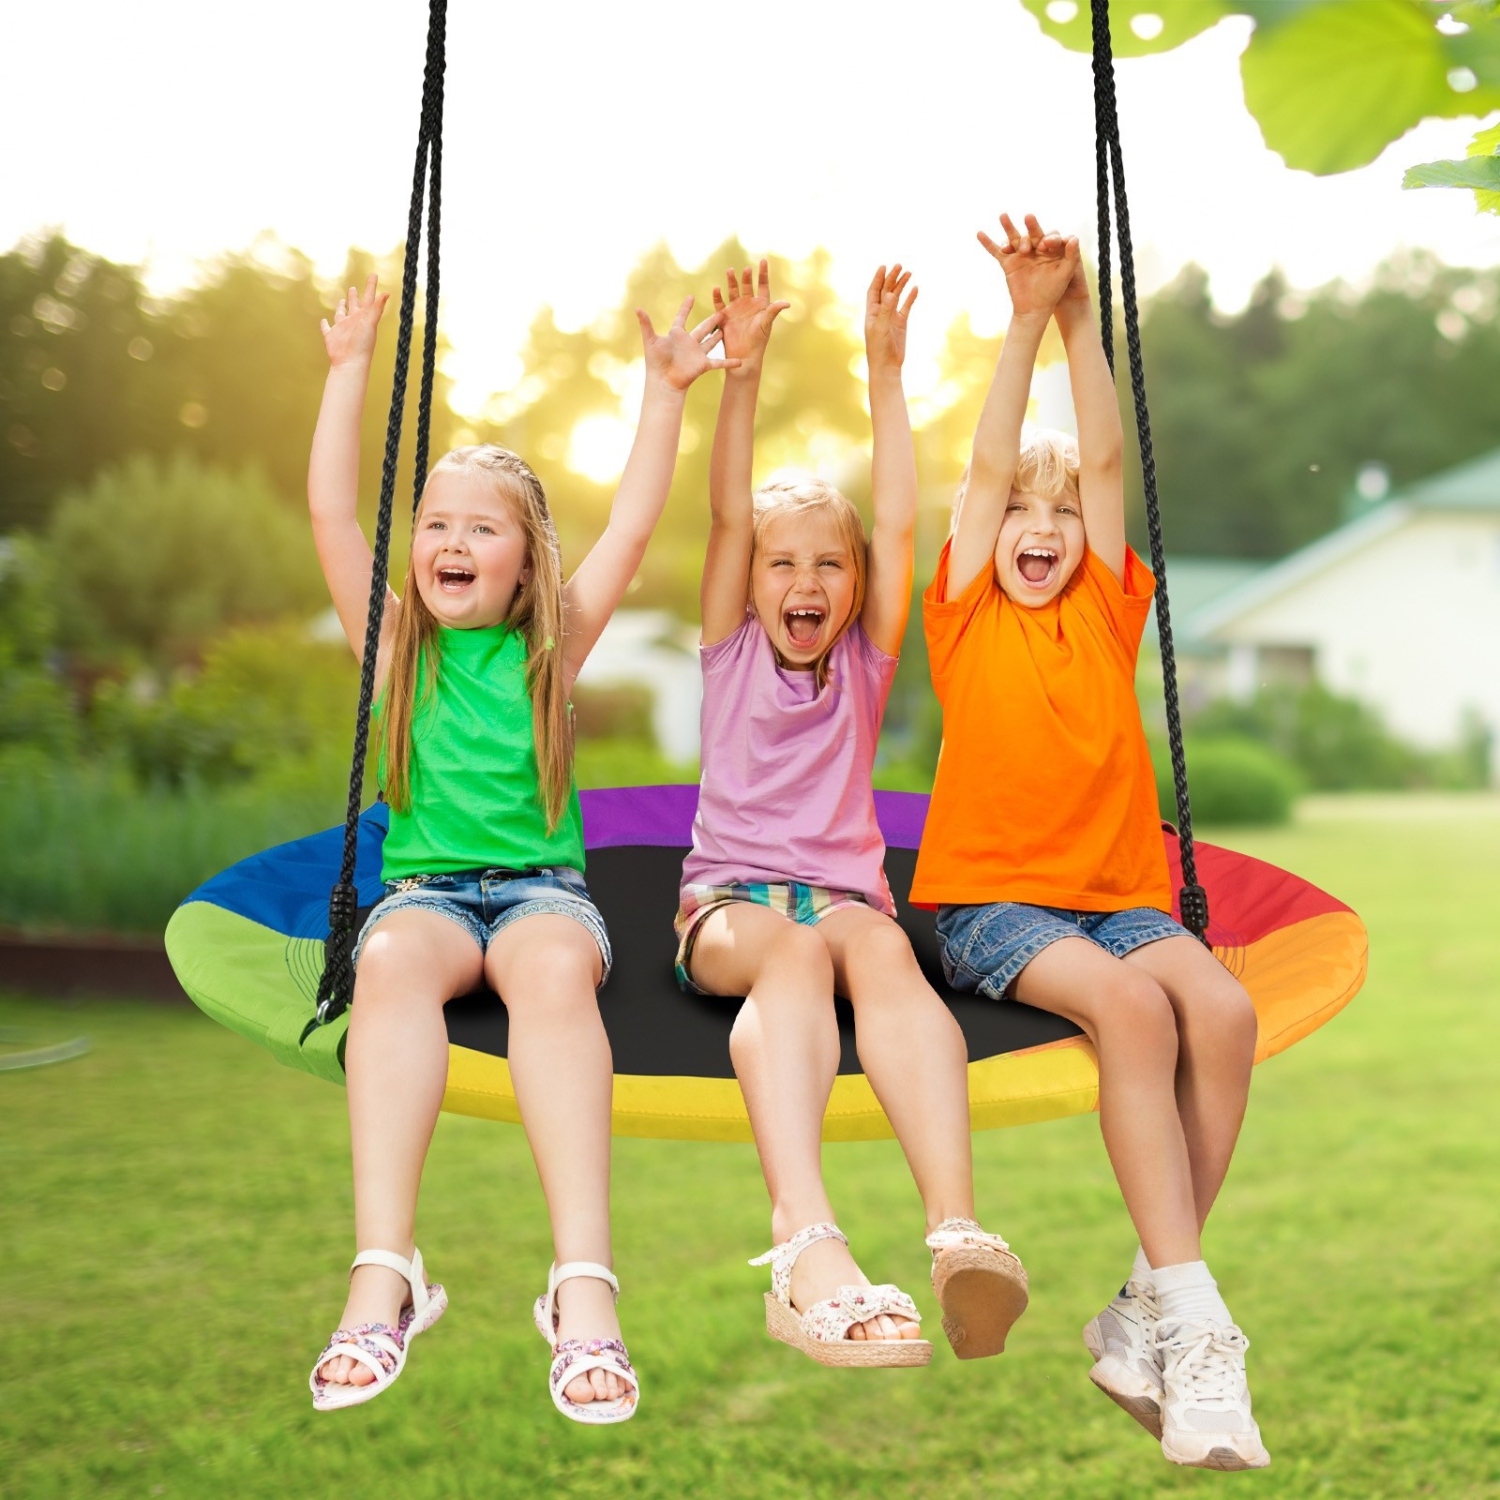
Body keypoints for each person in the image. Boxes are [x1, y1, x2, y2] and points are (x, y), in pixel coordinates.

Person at [304, 273, 735, 1423]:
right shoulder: (397, 649)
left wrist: (663, 395)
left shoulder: (552, 650)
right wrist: (349, 375)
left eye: (480, 528)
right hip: (425, 899)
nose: (451, 541)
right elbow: (333, 521)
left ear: (524, 557)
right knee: (389, 968)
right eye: (437, 524)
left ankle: (582, 1285)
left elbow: (634, 525)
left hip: (543, 895)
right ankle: (384, 1269)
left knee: (549, 973)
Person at [911, 214, 1268, 1469]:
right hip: (996, 905)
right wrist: (1019, 323)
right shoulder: (962, 617)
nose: (1043, 519)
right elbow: (987, 458)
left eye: (1061, 510)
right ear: (989, 525)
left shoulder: (1107, 615)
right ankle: (1195, 1317)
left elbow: (1106, 457)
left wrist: (1078, 313)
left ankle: (1139, 1308)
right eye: (1022, 506)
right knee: (1132, 1012)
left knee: (1219, 1017)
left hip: (1120, 895)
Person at [677, 260, 1029, 1369]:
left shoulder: (866, 662)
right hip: (731, 909)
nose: (805, 580)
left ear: (853, 583)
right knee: (785, 956)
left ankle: (955, 1230)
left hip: (846, 900)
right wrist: (745, 375)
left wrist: (887, 372)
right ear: (747, 585)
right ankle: (806, 1238)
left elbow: (894, 513)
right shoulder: (731, 649)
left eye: (829, 565)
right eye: (782, 564)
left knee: (886, 959)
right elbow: (730, 509)